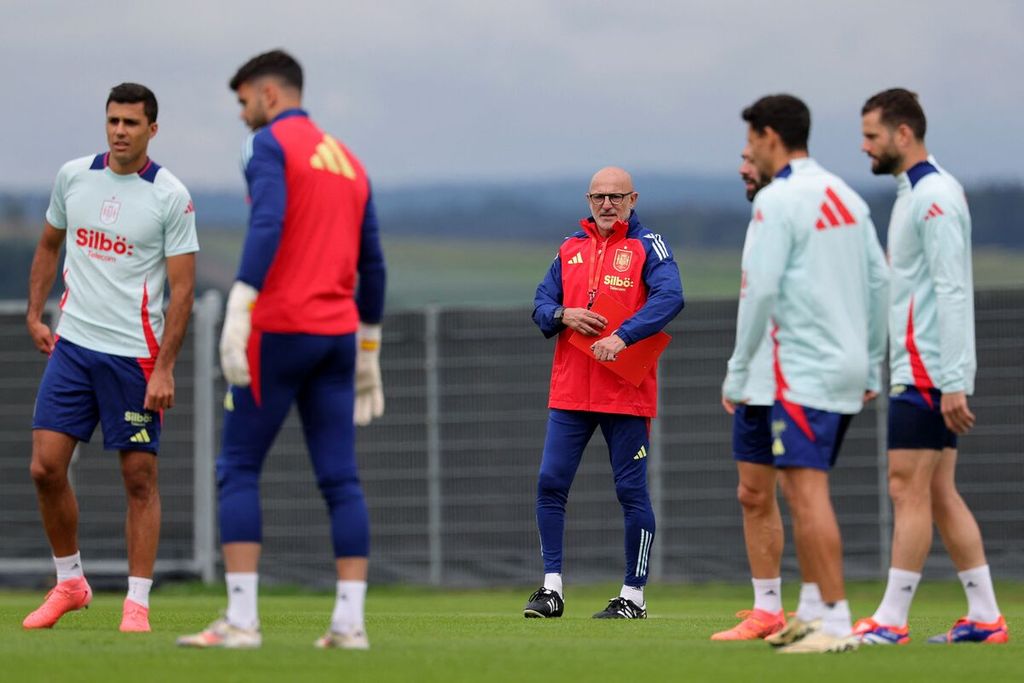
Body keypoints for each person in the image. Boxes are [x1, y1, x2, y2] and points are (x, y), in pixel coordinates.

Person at [177, 49, 385, 651]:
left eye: (243, 102)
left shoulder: (270, 145)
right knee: (341, 479)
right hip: (338, 337)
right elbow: (372, 262)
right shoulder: (350, 161)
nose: (243, 114)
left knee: (237, 467)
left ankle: (242, 622)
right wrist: (368, 346)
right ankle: (350, 625)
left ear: (268, 94)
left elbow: (266, 224)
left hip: (279, 329)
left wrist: (240, 305)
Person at [23, 83, 198, 633]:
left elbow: (183, 291)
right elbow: (50, 244)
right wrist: (34, 313)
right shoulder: (74, 176)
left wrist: (165, 366)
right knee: (45, 468)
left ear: (152, 128)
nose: (120, 130)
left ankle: (137, 604)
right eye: (113, 121)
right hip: (73, 347)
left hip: (134, 358)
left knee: (139, 480)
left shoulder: (171, 196)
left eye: (131, 122)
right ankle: (70, 582)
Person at [722, 94, 888, 653]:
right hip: (845, 365)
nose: (749, 155)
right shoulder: (846, 195)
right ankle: (814, 614)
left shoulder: (780, 200)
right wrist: (871, 357)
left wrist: (738, 371)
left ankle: (836, 624)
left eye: (750, 144)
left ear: (771, 136)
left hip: (799, 368)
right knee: (798, 491)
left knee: (807, 494)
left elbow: (760, 290)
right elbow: (880, 283)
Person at [853, 88, 1009, 646]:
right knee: (939, 492)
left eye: (872, 136)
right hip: (919, 368)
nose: (865, 147)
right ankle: (986, 617)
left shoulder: (934, 194)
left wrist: (953, 381)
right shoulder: (914, 191)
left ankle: (892, 621)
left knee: (906, 488)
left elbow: (952, 290)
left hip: (926, 372)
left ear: (902, 134)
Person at [524, 167, 684, 620]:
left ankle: (633, 596)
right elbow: (539, 304)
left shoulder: (648, 246)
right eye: (599, 197)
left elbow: (671, 297)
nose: (607, 204)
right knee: (550, 484)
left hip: (624, 393)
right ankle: (551, 588)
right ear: (588, 200)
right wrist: (562, 313)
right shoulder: (569, 248)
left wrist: (625, 336)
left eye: (616, 196)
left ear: (633, 199)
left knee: (631, 492)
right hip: (571, 391)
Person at [712, 148, 825, 641]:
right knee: (751, 493)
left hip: (795, 376)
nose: (741, 168)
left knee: (803, 494)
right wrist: (743, 372)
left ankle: (821, 609)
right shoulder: (764, 211)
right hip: (758, 381)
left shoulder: (799, 205)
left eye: (748, 157)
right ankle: (768, 609)